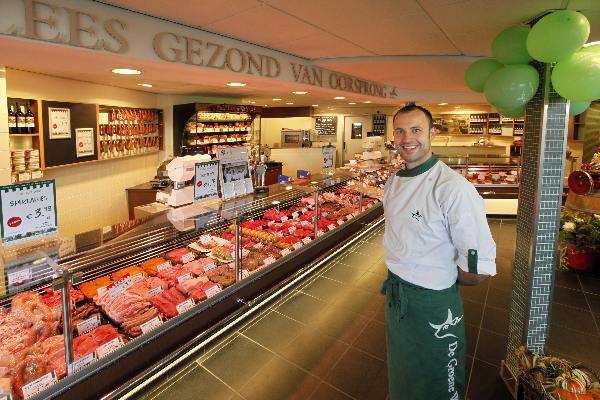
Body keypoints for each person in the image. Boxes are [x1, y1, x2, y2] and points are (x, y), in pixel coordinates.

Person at [381, 104, 496, 400]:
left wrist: (436, 279)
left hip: (434, 303)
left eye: (416, 130)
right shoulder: (394, 181)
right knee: (404, 373)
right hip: (397, 295)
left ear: (432, 133)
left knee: (437, 381)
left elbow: (479, 268)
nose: (408, 138)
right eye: (400, 130)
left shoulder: (453, 188)